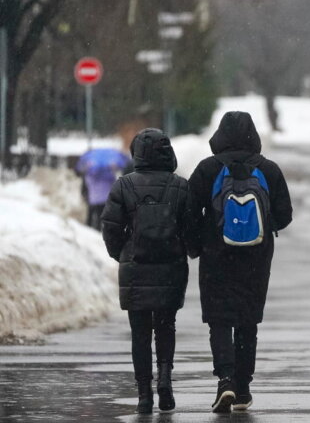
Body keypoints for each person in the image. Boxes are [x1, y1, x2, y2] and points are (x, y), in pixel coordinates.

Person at [187, 111, 292, 413]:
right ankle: (244, 389)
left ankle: (226, 380)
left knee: (219, 319)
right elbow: (284, 215)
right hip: (257, 258)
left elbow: (190, 213)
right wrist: (262, 226)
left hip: (216, 256)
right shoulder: (268, 170)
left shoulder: (207, 169)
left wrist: (198, 245)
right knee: (248, 321)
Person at [101, 128, 192, 414]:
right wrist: (183, 250)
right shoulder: (180, 186)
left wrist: (124, 255)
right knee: (166, 327)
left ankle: (144, 394)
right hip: (170, 268)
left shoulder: (123, 186)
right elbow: (191, 230)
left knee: (139, 333)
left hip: (136, 269)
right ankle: (165, 379)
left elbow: (111, 229)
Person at [76, 147, 131, 229]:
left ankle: (89, 230)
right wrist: (113, 169)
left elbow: (86, 185)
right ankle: (99, 231)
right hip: (105, 200)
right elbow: (113, 183)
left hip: (93, 199)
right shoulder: (108, 175)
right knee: (101, 218)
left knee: (90, 216)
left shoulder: (90, 175)